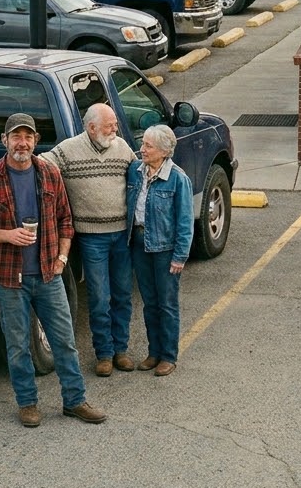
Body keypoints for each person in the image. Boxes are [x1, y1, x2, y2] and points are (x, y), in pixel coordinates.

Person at [0, 113, 106, 428]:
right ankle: (27, 404)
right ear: (5, 141)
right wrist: (7, 235)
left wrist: (62, 259)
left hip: (48, 274)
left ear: (36, 141)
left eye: (28, 137)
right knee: (18, 345)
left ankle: (75, 400)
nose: (22, 143)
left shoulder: (49, 173)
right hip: (9, 279)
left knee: (64, 340)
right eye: (16, 136)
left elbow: (66, 221)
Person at [46, 103, 136, 378]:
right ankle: (104, 354)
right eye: (110, 124)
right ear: (91, 126)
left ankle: (121, 350)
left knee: (122, 294)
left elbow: (141, 175)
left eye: (115, 124)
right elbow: (42, 164)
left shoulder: (122, 148)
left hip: (122, 235)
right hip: (91, 237)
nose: (115, 128)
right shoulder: (68, 149)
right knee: (99, 298)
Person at [127, 124, 194, 377]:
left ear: (164, 152)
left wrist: (180, 256)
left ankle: (168, 356)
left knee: (166, 303)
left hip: (165, 249)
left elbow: (185, 221)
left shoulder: (178, 178)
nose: (142, 149)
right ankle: (153, 352)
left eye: (148, 146)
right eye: (143, 144)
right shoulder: (136, 171)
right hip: (140, 244)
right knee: (149, 303)